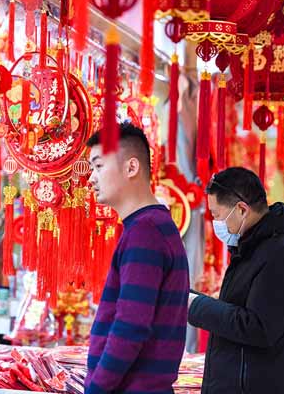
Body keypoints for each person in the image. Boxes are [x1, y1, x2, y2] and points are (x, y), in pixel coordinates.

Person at [188, 167, 284, 394]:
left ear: (241, 209)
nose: (215, 222)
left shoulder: (283, 253)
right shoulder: (251, 247)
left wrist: (194, 306)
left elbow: (259, 328)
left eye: (216, 215)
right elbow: (237, 309)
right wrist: (184, 297)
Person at [84, 122, 190, 394]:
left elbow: (130, 326)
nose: (91, 178)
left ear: (131, 168)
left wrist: (95, 388)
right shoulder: (151, 226)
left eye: (98, 166)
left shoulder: (145, 232)